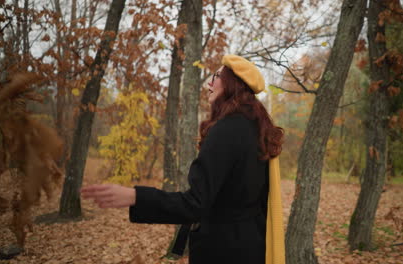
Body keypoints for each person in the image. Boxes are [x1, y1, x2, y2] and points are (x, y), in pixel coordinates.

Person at [81, 55, 285, 264]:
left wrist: (136, 196)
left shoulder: (226, 130)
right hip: (253, 246)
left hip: (223, 251)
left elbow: (195, 204)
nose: (209, 82)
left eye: (216, 76)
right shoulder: (258, 130)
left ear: (233, 83)